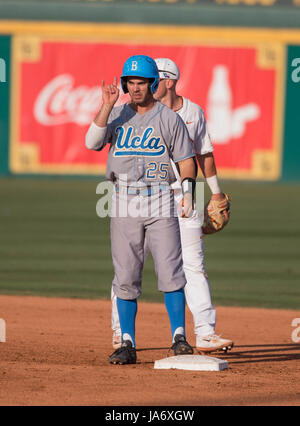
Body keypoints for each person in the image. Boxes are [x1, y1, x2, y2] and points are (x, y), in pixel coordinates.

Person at [111, 58, 233, 354]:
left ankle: (204, 332)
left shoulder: (192, 113)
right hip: (142, 197)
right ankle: (119, 332)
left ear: (170, 81)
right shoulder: (134, 113)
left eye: (157, 79)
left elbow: (204, 154)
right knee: (127, 266)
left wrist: (214, 194)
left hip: (183, 193)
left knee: (191, 264)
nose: (147, 85)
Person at [85, 55, 196, 365]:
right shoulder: (116, 115)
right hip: (122, 197)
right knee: (126, 273)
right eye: (130, 82)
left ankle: (179, 338)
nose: (135, 88)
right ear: (124, 84)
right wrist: (106, 105)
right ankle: (127, 342)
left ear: (153, 84)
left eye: (141, 82)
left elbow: (187, 160)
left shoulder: (168, 119)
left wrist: (188, 192)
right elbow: (92, 143)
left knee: (171, 270)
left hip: (160, 197)